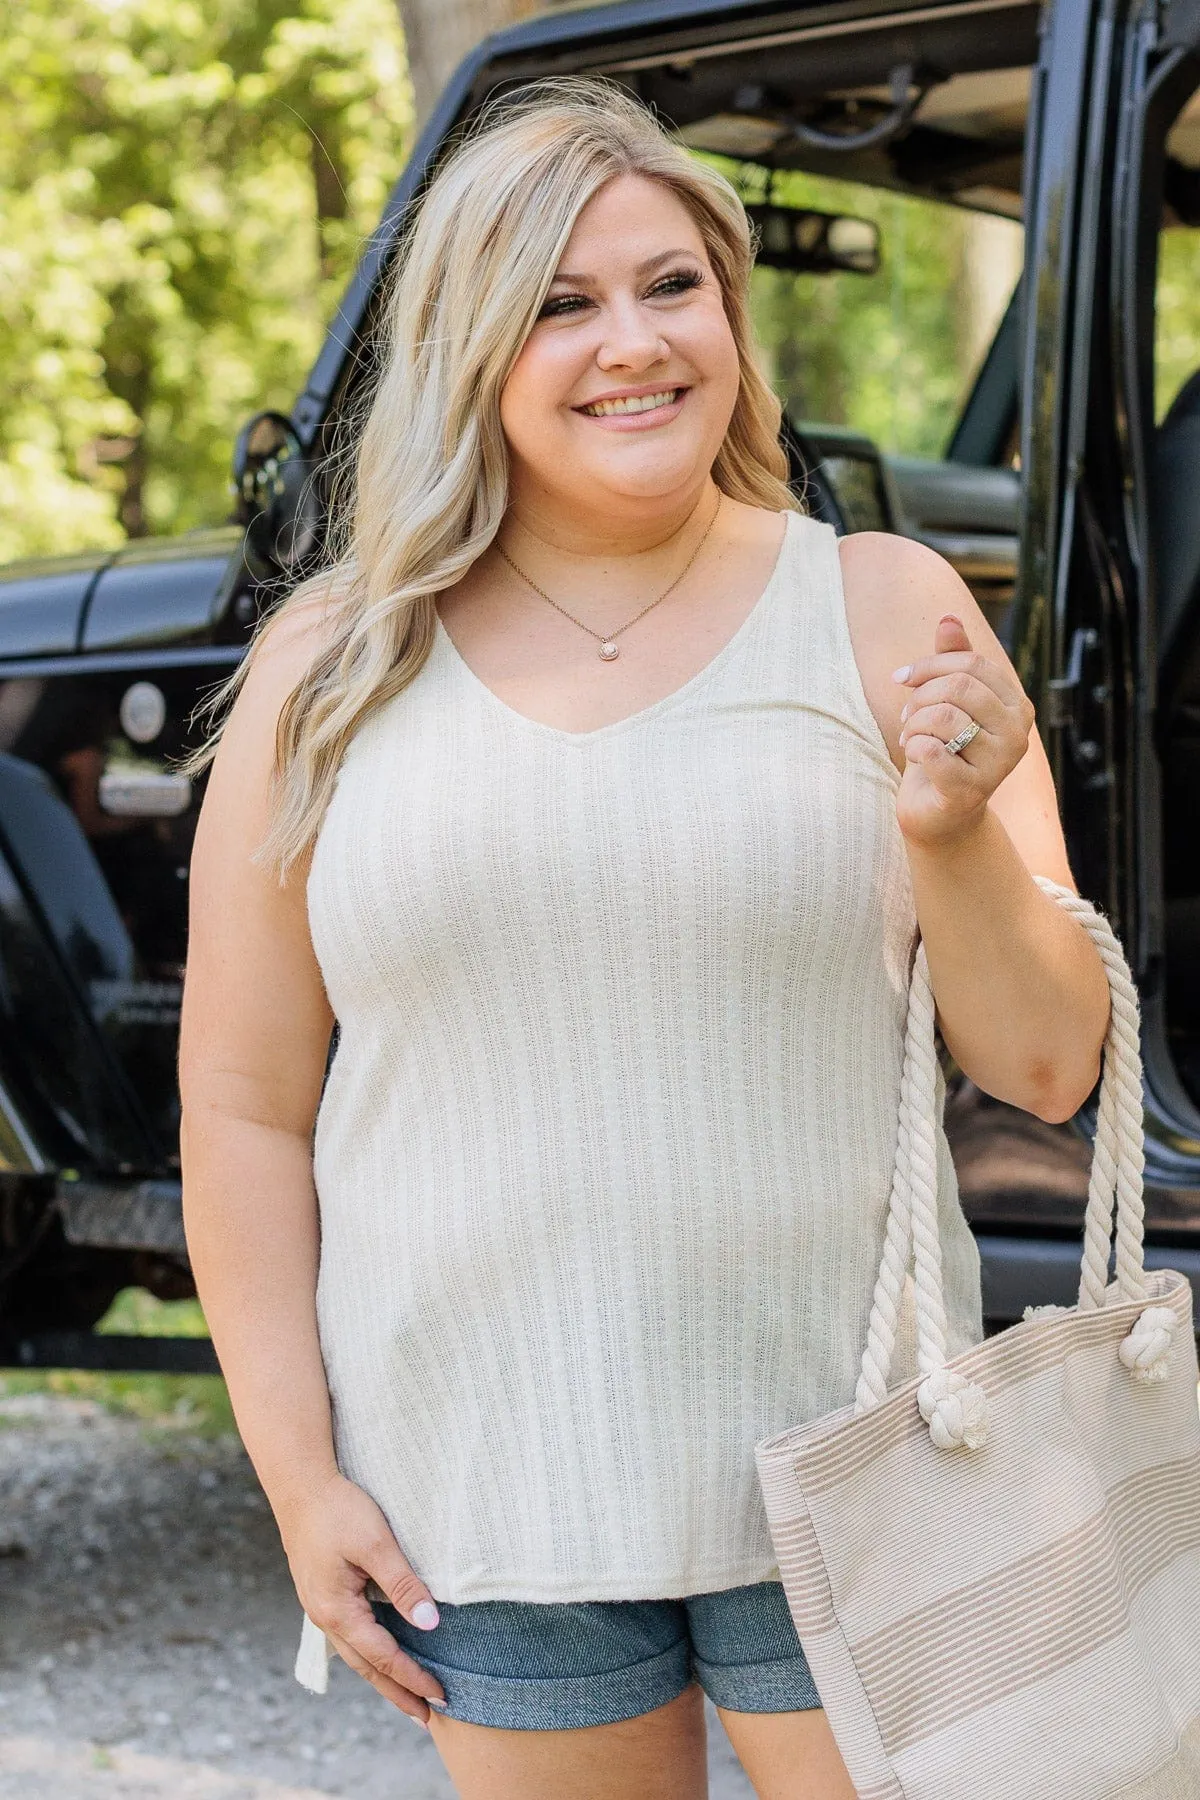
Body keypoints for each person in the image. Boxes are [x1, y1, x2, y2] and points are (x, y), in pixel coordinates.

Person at [178, 79, 1110, 1800]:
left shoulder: (882, 605)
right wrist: (303, 1483)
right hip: (493, 1498)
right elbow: (243, 1107)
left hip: (863, 1454)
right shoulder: (332, 668)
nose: (635, 342)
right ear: (472, 342)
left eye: (673, 285)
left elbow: (1047, 1065)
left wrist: (948, 831)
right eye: (562, 300)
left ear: (734, 320)